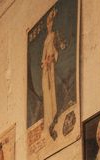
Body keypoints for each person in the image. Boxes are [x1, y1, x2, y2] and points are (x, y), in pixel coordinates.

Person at [40, 9, 61, 139]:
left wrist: (51, 59)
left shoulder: (53, 35)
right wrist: (44, 63)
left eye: (51, 23)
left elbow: (55, 51)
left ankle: (54, 114)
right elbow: (43, 56)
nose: (50, 25)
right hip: (46, 67)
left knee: (52, 88)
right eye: (48, 23)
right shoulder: (46, 39)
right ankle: (48, 118)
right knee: (46, 91)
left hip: (51, 66)